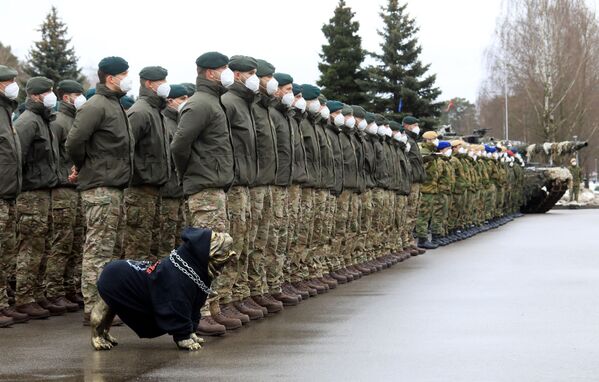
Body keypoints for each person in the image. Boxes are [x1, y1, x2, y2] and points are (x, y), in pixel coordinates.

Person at [171, 51, 236, 336]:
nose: (227, 73)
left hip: (214, 186)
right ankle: (200, 312)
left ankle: (212, 306)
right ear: (210, 73)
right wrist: (192, 173)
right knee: (204, 253)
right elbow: (179, 146)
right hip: (204, 188)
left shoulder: (213, 102)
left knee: (217, 250)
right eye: (223, 68)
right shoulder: (199, 104)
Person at [66, 56, 134, 324]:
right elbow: (74, 141)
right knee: (98, 249)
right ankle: (93, 308)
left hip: (114, 186)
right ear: (111, 78)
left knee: (110, 248)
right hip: (100, 187)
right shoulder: (96, 105)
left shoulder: (113, 104)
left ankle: (106, 303)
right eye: (125, 74)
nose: (128, 78)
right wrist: (85, 165)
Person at [92, 227, 234, 351]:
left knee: (112, 309)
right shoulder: (177, 276)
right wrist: (182, 336)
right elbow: (177, 306)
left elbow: (191, 307)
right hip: (115, 276)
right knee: (105, 309)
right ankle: (97, 335)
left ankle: (104, 332)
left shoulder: (191, 273)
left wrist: (190, 330)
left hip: (121, 272)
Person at [14, 76, 61, 318]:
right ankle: (23, 298)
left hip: (45, 192)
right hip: (31, 194)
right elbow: (16, 158)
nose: (51, 95)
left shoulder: (45, 121)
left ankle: (37, 294)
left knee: (42, 247)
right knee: (30, 248)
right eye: (47, 91)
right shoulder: (28, 121)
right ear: (34, 95)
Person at [122, 66, 171, 261]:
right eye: (162, 81)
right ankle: (133, 290)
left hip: (154, 188)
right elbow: (126, 149)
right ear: (149, 84)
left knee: (151, 247)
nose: (166, 85)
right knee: (138, 248)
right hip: (140, 190)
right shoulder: (140, 112)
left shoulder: (155, 111)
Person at [46, 80, 86, 313]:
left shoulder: (75, 119)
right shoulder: (59, 121)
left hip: (75, 186)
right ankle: (54, 292)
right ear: (65, 97)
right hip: (63, 186)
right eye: (75, 94)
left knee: (74, 242)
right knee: (61, 242)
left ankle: (70, 288)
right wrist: (63, 175)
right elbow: (53, 156)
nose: (79, 97)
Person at [0, 65, 26, 326]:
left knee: (6, 251)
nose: (12, 85)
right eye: (7, 81)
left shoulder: (7, 112)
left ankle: (4, 303)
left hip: (8, 193)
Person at [159, 84, 188, 255]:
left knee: (179, 240)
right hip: (168, 190)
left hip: (178, 191)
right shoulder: (166, 122)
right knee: (166, 241)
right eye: (182, 99)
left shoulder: (180, 121)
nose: (186, 102)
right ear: (170, 101)